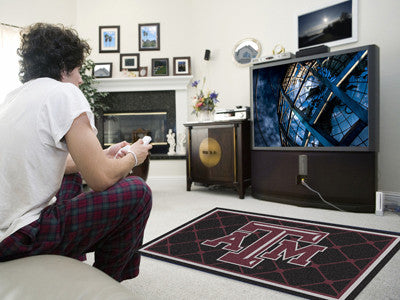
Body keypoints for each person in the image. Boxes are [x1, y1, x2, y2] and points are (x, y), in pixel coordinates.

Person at [0, 23, 153, 282]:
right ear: (63, 66)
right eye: (79, 69)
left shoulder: (14, 97)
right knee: (138, 192)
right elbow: (101, 180)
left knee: (69, 173)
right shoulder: (64, 92)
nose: (81, 78)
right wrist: (134, 156)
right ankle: (106, 283)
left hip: (6, 230)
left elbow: (47, 160)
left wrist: (101, 155)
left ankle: (71, 257)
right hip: (22, 236)